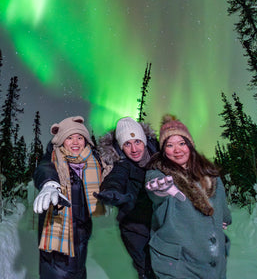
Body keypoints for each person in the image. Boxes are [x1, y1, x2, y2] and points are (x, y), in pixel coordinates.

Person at [145, 115, 231, 279]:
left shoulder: (210, 174)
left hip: (213, 260)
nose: (177, 150)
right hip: (178, 264)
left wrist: (223, 219)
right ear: (163, 151)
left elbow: (221, 206)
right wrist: (160, 190)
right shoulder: (158, 174)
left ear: (190, 145)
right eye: (169, 145)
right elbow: (155, 190)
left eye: (182, 143)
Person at [32, 116, 109, 279]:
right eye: (69, 137)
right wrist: (49, 184)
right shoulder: (53, 158)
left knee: (78, 272)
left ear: (86, 141)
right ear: (61, 141)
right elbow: (44, 169)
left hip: (81, 234)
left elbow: (111, 174)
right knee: (57, 273)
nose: (75, 142)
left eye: (80, 138)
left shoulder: (93, 162)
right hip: (57, 235)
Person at [94, 116, 158, 279]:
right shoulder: (122, 163)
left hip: (161, 222)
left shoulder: (160, 156)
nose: (134, 149)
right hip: (134, 225)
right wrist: (110, 190)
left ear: (144, 141)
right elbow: (116, 177)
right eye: (127, 144)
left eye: (137, 142)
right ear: (121, 147)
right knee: (146, 269)